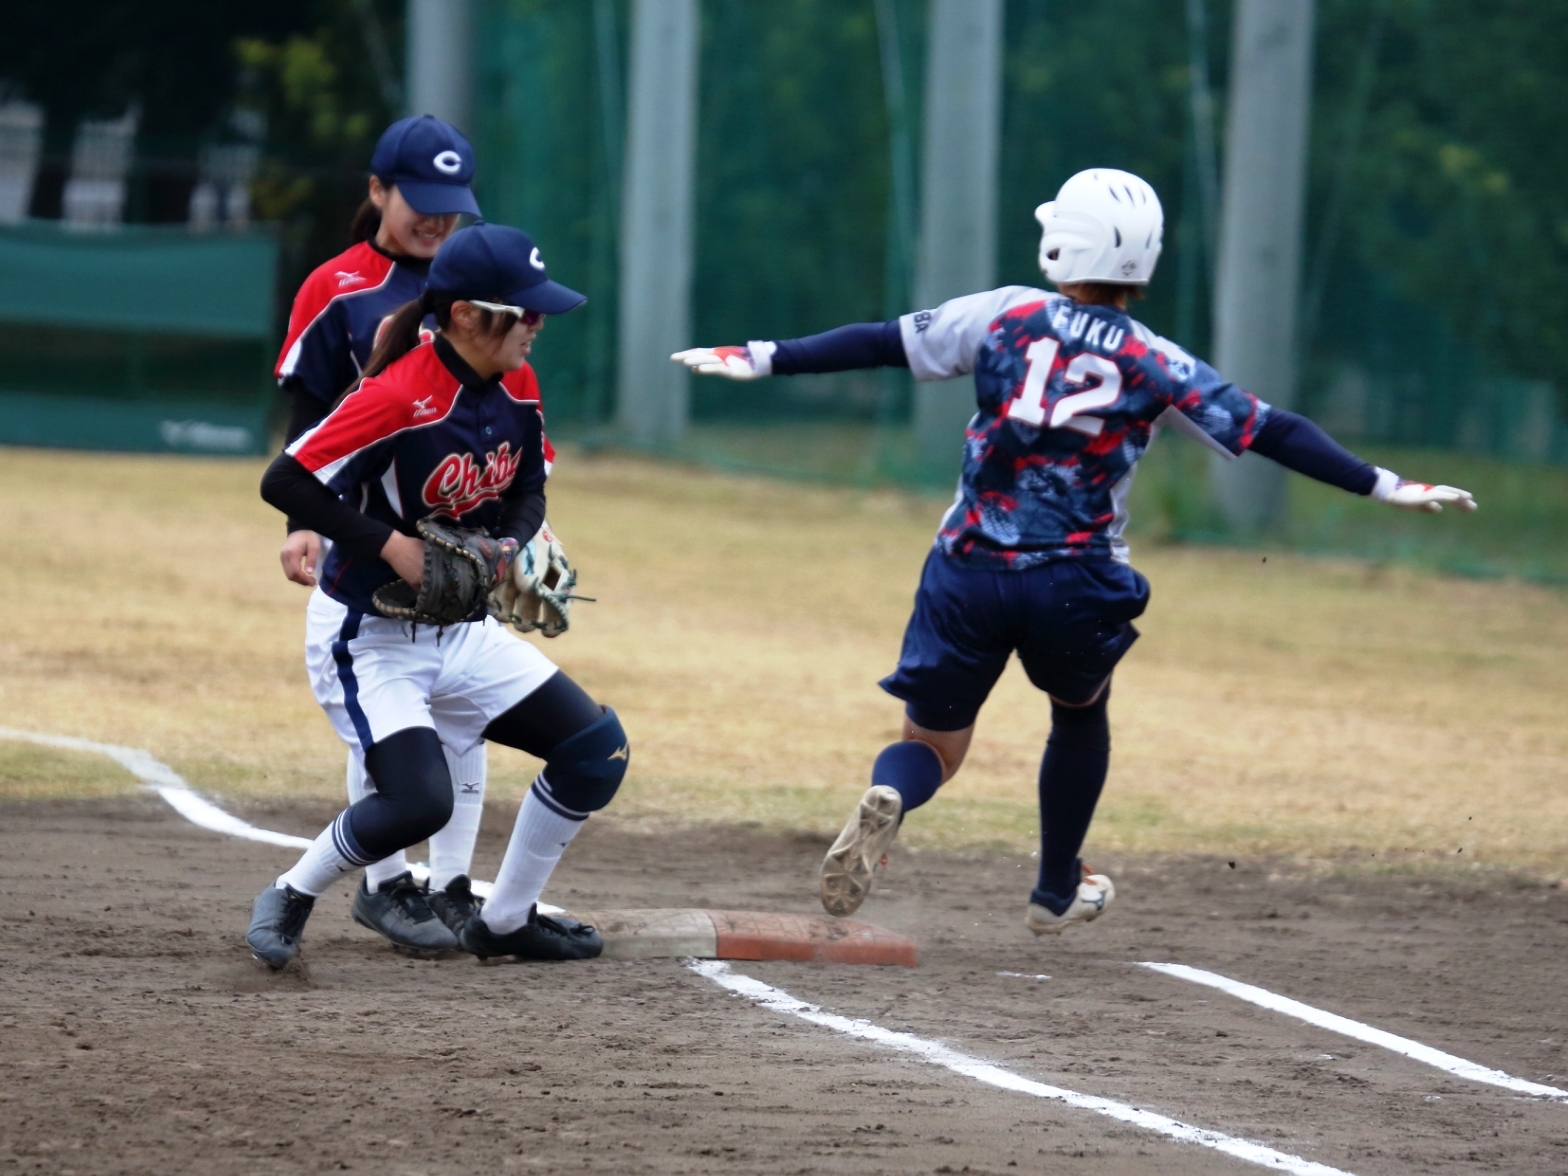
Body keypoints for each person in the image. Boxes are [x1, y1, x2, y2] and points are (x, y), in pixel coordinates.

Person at [672, 168, 1477, 937]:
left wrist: (764, 355)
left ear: (1066, 245)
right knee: (1079, 716)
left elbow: (882, 342)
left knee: (931, 747)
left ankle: (893, 790)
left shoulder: (1005, 316)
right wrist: (1381, 483)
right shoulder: (1156, 360)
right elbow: (1272, 429)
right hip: (1076, 580)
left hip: (968, 569)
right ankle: (1056, 889)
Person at [247, 222, 624, 968]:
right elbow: (284, 480)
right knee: (419, 802)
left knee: (595, 751)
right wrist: (391, 547)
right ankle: (292, 892)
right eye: (522, 312)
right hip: (373, 639)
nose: (536, 325)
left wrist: (506, 550)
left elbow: (530, 486)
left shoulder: (517, 381)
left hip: (463, 632)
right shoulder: (398, 395)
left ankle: (507, 921)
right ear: (462, 316)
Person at [272, 115, 506, 954]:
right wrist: (305, 523)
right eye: (421, 202)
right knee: (392, 699)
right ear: (376, 191)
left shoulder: (474, 280)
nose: (438, 221)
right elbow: (310, 414)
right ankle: (383, 881)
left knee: (462, 708)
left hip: (462, 522)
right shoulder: (335, 285)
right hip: (368, 520)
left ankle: (446, 885)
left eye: (453, 205)